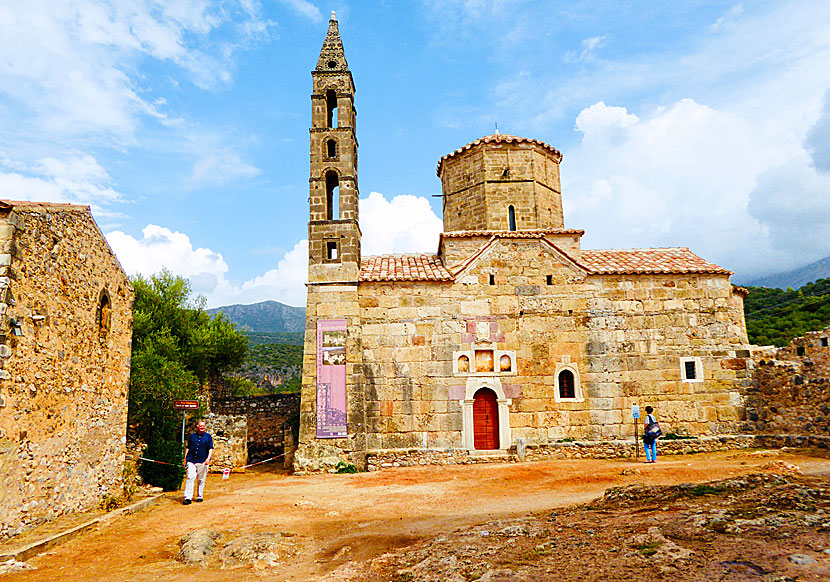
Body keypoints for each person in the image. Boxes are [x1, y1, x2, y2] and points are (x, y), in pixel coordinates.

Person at [182, 420, 213, 505]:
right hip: (191, 460)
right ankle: (188, 497)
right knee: (190, 477)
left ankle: (200, 496)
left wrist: (208, 459)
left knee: (201, 479)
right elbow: (188, 448)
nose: (202, 427)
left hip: (202, 461)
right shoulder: (192, 436)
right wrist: (185, 459)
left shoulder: (208, 437)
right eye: (200, 426)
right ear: (197, 427)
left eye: (203, 426)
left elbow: (210, 448)